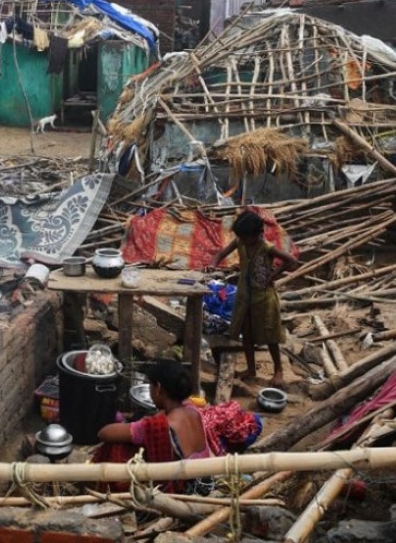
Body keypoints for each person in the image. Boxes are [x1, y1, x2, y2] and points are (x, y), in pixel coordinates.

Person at [92, 359, 211, 493]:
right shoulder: (193, 411)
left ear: (158, 388)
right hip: (203, 484)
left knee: (114, 447)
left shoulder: (156, 426)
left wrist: (141, 422)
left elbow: (103, 433)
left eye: (150, 385)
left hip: (184, 491)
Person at [212, 210, 299, 387]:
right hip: (244, 295)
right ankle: (251, 369)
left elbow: (291, 261)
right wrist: (211, 267)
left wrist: (273, 275)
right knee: (248, 333)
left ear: (257, 235)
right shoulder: (240, 242)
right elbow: (220, 255)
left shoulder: (266, 247)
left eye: (245, 237)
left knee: (270, 334)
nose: (242, 240)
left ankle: (278, 371)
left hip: (264, 297)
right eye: (240, 237)